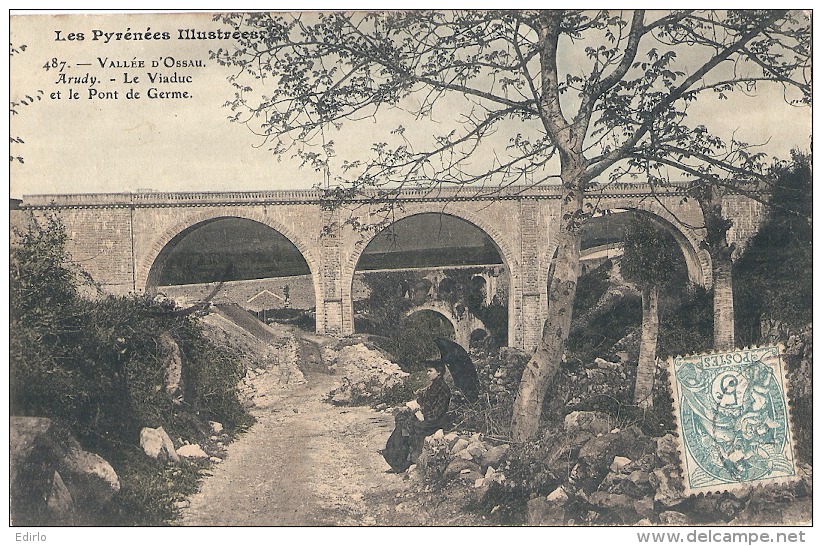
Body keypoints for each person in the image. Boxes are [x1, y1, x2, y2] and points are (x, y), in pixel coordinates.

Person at [381, 360, 451, 472]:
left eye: (430, 371)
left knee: (412, 425)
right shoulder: (432, 386)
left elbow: (438, 411)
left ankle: (408, 460)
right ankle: (398, 459)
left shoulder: (443, 389)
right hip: (425, 416)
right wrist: (414, 405)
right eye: (427, 371)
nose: (427, 373)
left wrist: (421, 413)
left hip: (435, 421)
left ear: (439, 372)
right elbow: (422, 401)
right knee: (401, 418)